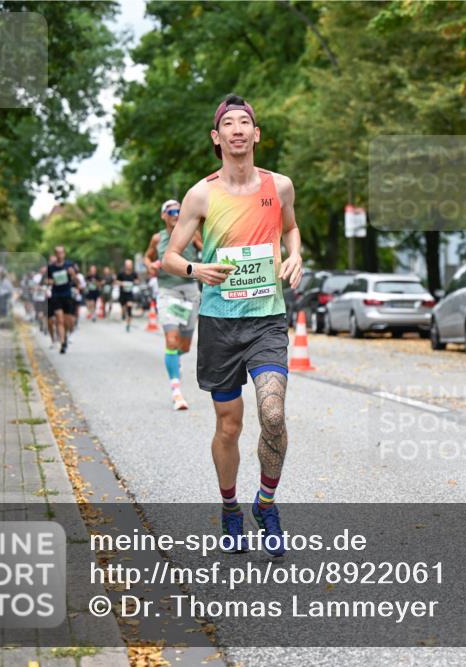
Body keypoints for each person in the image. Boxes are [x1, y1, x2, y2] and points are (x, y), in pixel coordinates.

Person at [162, 94, 303, 558]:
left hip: (266, 319)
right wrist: (193, 271)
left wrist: (296, 254)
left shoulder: (279, 186)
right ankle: (229, 509)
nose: (239, 129)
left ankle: (266, 503)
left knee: (274, 416)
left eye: (247, 122)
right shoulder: (201, 194)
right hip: (220, 323)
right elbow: (171, 255)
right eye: (230, 123)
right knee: (228, 426)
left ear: (256, 134)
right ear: (217, 137)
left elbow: (290, 228)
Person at [145, 199, 204, 410]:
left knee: (184, 346)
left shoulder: (192, 233)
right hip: (167, 291)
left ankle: (174, 360)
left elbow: (206, 250)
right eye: (170, 210)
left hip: (190, 291)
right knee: (171, 340)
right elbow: (147, 257)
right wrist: (150, 264)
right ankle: (176, 391)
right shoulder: (157, 238)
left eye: (178, 210)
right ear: (163, 215)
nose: (175, 213)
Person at [47, 245, 78, 354]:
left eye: (61, 253)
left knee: (67, 321)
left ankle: (66, 335)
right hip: (56, 295)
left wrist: (73, 274)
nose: (59, 255)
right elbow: (48, 280)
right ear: (55, 254)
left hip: (67, 295)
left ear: (64, 254)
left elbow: (77, 281)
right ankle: (62, 342)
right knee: (59, 319)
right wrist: (49, 282)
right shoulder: (51, 267)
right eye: (57, 253)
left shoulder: (70, 265)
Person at [116, 259, 139, 333]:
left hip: (130, 294)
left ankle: (128, 324)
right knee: (123, 308)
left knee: (129, 308)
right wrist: (122, 283)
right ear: (125, 265)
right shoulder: (121, 274)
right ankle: (124, 315)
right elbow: (116, 281)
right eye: (128, 265)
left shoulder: (134, 274)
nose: (129, 266)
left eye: (130, 265)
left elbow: (137, 280)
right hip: (122, 293)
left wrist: (135, 282)